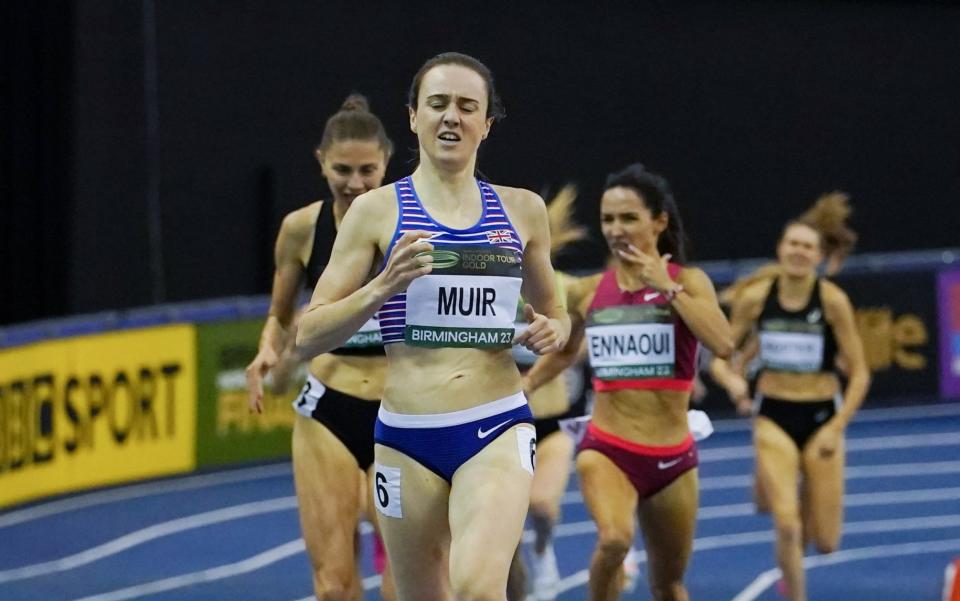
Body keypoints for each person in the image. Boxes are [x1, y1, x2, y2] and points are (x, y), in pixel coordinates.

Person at [295, 52, 570, 601]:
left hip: (495, 424)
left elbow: (557, 316)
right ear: (413, 117)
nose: (452, 117)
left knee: (476, 588)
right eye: (438, 104)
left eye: (468, 107)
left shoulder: (522, 211)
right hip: (404, 437)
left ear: (487, 124)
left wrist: (552, 331)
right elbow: (309, 335)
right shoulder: (374, 213)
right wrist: (381, 287)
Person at [525, 163, 732, 601]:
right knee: (614, 540)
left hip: (673, 457)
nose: (616, 229)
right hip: (608, 448)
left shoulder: (690, 283)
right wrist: (524, 388)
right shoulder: (588, 290)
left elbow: (724, 344)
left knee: (668, 584)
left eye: (628, 218)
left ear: (659, 222)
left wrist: (668, 289)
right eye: (608, 219)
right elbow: (564, 353)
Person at [244, 94, 397, 601]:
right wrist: (268, 349)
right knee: (333, 587)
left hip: (402, 413)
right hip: (327, 408)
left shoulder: (414, 224)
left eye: (367, 170)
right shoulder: (302, 228)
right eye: (342, 170)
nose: (355, 183)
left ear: (388, 161)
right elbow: (280, 315)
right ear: (321, 162)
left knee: (408, 584)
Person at [710, 208, 870, 601]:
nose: (799, 251)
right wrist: (732, 381)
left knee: (827, 542)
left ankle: (785, 487)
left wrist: (837, 427)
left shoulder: (833, 301)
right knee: (786, 524)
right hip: (773, 417)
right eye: (793, 243)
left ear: (818, 255)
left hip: (821, 418)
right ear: (781, 249)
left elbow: (861, 374)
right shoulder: (756, 299)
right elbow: (720, 356)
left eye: (807, 246)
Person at [507, 185, 588, 601]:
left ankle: (544, 551)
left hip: (553, 422)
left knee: (541, 505)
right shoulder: (496, 288)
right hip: (503, 422)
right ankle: (515, 574)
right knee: (505, 523)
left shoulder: (569, 289)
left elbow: (584, 342)